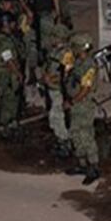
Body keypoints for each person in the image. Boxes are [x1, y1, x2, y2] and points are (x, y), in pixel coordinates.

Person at [64, 33, 101, 184]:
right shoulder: (78, 62)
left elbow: (85, 88)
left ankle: (93, 167)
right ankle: (82, 164)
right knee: (75, 133)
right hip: (76, 104)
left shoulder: (90, 66)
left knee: (86, 135)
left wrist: (72, 101)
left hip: (84, 105)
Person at [22, 0, 61, 84]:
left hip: (47, 16)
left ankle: (47, 73)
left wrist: (58, 13)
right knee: (31, 46)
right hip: (33, 18)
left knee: (48, 45)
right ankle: (32, 73)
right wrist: (28, 11)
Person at [40, 23, 74, 158]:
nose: (52, 39)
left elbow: (67, 75)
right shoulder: (54, 51)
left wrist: (51, 80)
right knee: (53, 118)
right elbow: (47, 66)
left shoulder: (67, 55)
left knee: (58, 117)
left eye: (54, 36)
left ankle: (65, 143)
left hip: (60, 90)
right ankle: (60, 141)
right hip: (52, 89)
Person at [0, 12, 24, 141]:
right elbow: (8, 60)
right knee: (8, 98)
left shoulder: (6, 37)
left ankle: (12, 124)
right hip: (7, 74)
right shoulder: (4, 41)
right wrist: (17, 73)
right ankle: (7, 126)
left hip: (9, 72)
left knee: (13, 97)